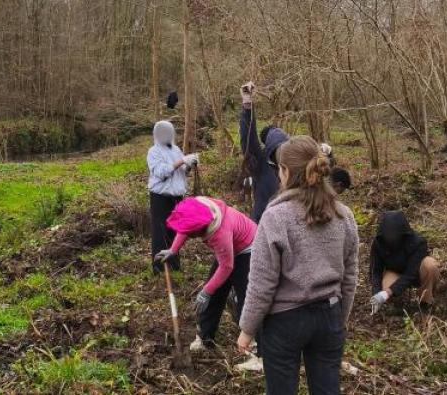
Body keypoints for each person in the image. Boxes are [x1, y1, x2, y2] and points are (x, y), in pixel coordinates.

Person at [237, 136, 359, 395]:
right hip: (329, 316)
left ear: (285, 172)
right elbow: (350, 276)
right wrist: (341, 318)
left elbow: (261, 282)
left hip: (284, 323)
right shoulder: (343, 215)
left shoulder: (275, 217)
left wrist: (247, 329)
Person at [154, 197, 257, 355]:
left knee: (247, 299)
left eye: (192, 234)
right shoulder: (197, 207)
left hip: (248, 249)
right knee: (214, 294)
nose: (190, 235)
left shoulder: (220, 233)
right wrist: (173, 250)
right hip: (228, 250)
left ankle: (257, 349)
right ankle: (205, 339)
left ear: (201, 229)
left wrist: (206, 291)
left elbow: (227, 266)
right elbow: (186, 226)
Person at [147, 120, 198, 273]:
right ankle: (159, 267)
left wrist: (189, 165)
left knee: (176, 230)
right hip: (160, 197)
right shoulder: (153, 152)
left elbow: (181, 172)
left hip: (177, 197)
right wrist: (182, 160)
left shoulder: (175, 150)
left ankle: (174, 264)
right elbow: (161, 172)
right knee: (160, 231)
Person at [369, 211, 441, 313]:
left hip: (416, 273)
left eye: (394, 234)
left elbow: (410, 274)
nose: (391, 238)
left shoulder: (418, 243)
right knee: (385, 290)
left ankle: (425, 302)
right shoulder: (378, 243)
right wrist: (377, 294)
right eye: (388, 235)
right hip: (394, 271)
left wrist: (387, 292)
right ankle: (399, 305)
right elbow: (375, 270)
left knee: (430, 266)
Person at [239, 81, 290, 223]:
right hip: (264, 223)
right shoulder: (262, 162)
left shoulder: (294, 161)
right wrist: (247, 107)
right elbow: (249, 139)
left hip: (280, 224)